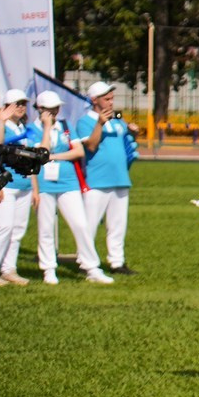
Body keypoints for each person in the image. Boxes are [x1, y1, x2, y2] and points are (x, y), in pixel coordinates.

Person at [28, 92, 108, 285]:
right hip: (45, 183)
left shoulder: (66, 126)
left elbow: (78, 151)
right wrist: (47, 129)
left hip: (68, 182)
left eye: (56, 108)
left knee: (80, 224)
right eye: (50, 109)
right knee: (46, 227)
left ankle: (91, 267)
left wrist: (54, 157)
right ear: (40, 110)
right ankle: (48, 269)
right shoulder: (33, 129)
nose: (55, 112)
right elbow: (41, 153)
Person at [76, 80, 137, 275]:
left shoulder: (118, 121)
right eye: (106, 99)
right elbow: (91, 146)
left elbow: (126, 145)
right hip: (97, 179)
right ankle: (85, 261)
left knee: (118, 224)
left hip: (120, 177)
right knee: (90, 223)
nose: (111, 102)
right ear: (94, 100)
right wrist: (100, 124)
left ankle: (116, 261)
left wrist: (134, 133)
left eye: (112, 98)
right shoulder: (85, 121)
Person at [0, 90, 34, 287]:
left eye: (24, 103)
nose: (22, 106)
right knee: (2, 227)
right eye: (17, 103)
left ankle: (7, 268)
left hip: (11, 182)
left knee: (15, 229)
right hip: (4, 184)